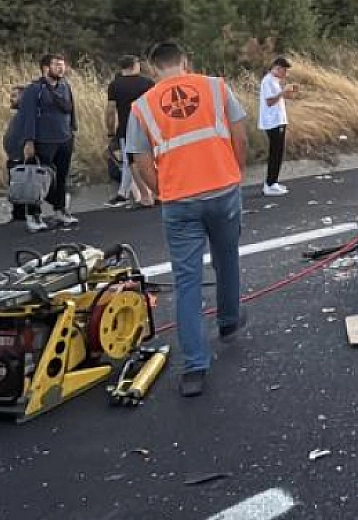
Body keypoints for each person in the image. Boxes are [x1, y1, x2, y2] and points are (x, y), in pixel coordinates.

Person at [125, 41, 250, 398]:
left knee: (187, 282)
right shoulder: (215, 86)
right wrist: (235, 170)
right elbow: (239, 133)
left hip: (180, 201)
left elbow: (140, 161)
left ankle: (195, 367)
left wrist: (161, 190)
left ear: (152, 69)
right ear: (185, 61)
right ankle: (228, 322)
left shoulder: (143, 106)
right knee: (227, 258)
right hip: (223, 190)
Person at [8, 54, 78, 232]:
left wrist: (72, 131)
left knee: (62, 177)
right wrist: (28, 141)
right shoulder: (35, 89)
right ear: (46, 68)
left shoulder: (65, 86)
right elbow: (28, 116)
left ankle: (60, 211)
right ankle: (33, 215)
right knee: (37, 178)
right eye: (56, 65)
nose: (61, 68)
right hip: (43, 141)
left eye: (62, 65)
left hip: (64, 139)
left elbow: (71, 109)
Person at [105, 56, 155, 208]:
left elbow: (110, 110)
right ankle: (155, 193)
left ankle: (143, 195)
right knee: (151, 160)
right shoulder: (148, 83)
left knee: (131, 162)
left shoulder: (115, 85)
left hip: (126, 128)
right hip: (148, 126)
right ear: (135, 65)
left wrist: (110, 130)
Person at [257, 57, 299, 197]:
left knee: (279, 152)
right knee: (275, 152)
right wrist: (282, 92)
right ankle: (269, 184)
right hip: (272, 122)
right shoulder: (267, 81)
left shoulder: (275, 81)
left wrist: (288, 93)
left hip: (279, 120)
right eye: (284, 70)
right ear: (277, 68)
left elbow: (278, 98)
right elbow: (269, 101)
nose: (285, 73)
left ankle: (274, 182)